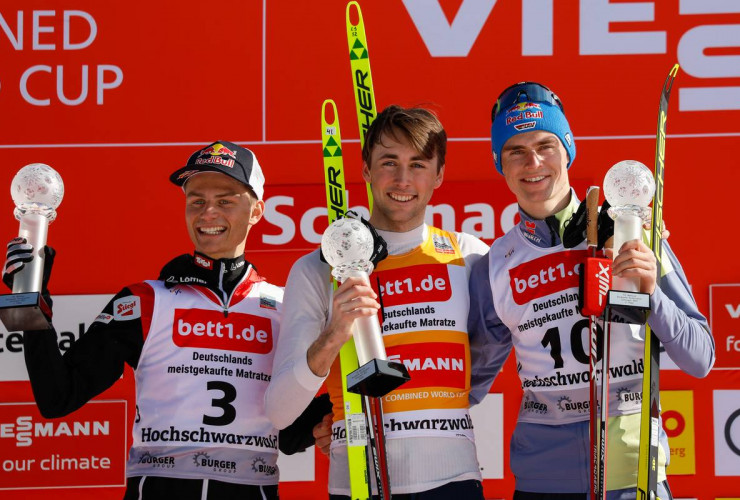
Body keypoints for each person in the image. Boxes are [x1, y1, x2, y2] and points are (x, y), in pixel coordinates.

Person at [3, 141, 325, 500]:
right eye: (197, 201)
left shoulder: (283, 306)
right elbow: (58, 397)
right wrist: (32, 302)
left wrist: (331, 415)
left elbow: (289, 429)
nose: (208, 213)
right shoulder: (143, 301)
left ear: (257, 210)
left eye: (226, 200)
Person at [468, 82, 715, 499]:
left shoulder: (634, 234)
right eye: (515, 150)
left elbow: (700, 357)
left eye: (546, 144)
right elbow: (465, 384)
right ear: (500, 163)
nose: (533, 161)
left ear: (567, 150)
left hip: (631, 476)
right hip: (543, 484)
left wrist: (650, 296)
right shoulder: (496, 265)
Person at [265, 105, 490, 499]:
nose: (403, 179)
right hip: (356, 482)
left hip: (453, 481)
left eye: (418, 164)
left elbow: (506, 344)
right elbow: (280, 411)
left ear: (439, 174)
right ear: (366, 169)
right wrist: (335, 334)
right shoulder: (320, 269)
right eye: (389, 162)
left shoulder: (468, 255)